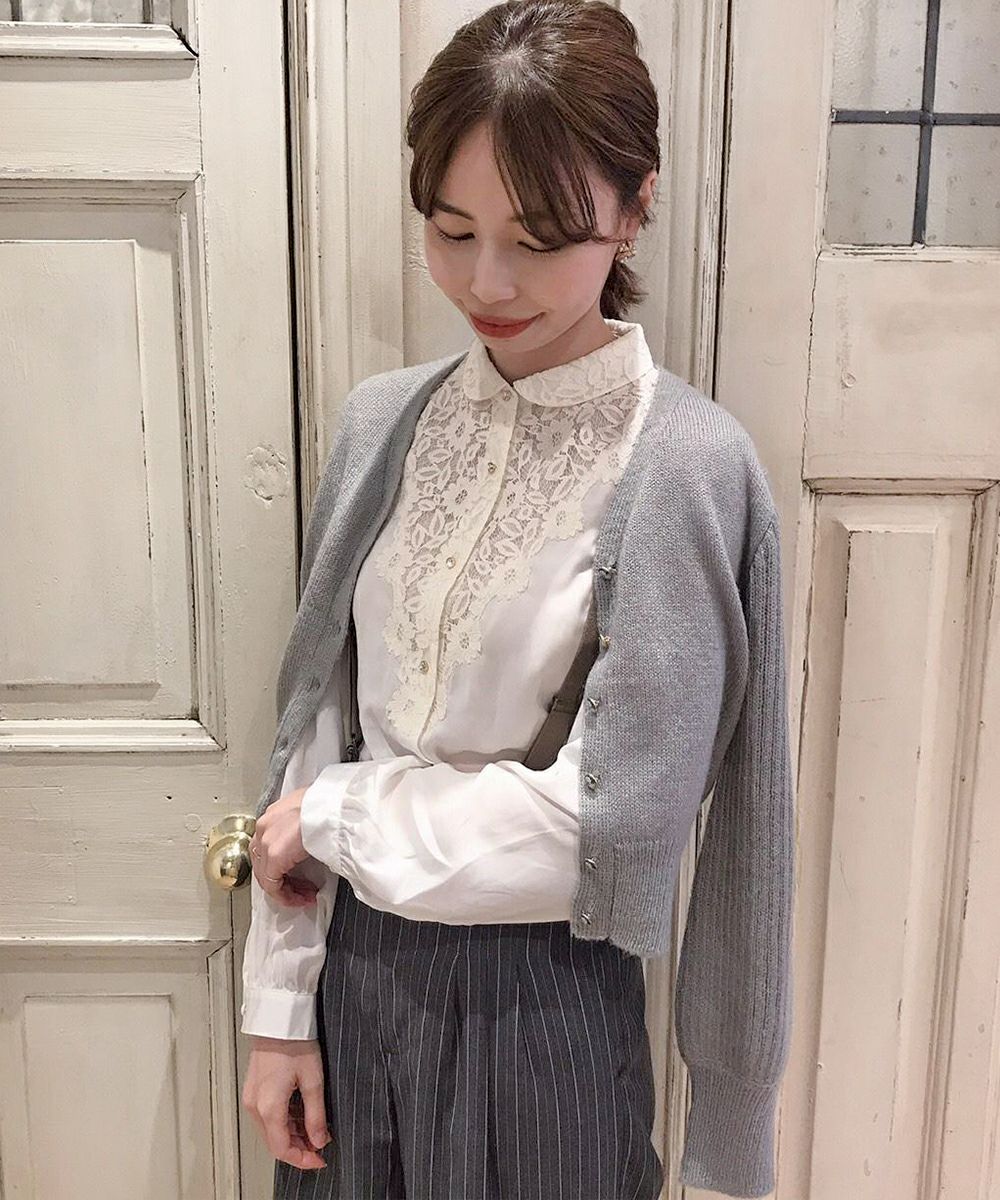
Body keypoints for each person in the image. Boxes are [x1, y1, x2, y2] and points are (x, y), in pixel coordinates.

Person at [240, 2, 795, 1198]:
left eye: (538, 239)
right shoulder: (381, 425)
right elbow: (315, 723)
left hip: (541, 1022)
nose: (485, 282)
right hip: (350, 999)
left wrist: (333, 820)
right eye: (451, 230)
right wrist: (280, 1009)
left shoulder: (684, 467)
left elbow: (606, 838)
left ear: (633, 209)